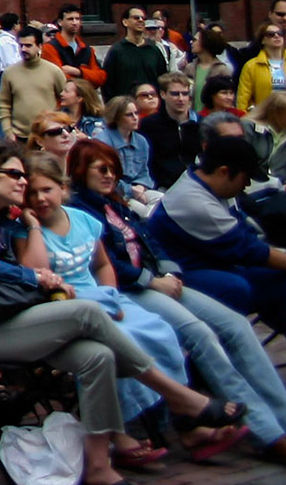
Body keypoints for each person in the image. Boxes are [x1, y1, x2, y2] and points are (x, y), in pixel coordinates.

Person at [0, 144, 243, 485]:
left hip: (8, 319)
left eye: (24, 176)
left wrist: (33, 241)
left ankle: (98, 466)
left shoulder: (4, 223)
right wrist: (38, 277)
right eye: (14, 174)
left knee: (97, 356)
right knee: (88, 313)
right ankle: (179, 396)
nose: (23, 181)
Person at [68, 138, 286, 463]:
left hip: (161, 282)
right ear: (82, 172)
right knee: (201, 335)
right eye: (102, 169)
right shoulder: (82, 210)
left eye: (113, 168)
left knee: (236, 326)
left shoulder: (116, 204)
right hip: (129, 290)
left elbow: (150, 239)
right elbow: (107, 263)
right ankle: (265, 432)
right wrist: (153, 280)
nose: (110, 175)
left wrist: (168, 272)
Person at [14, 154, 233, 460]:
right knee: (122, 346)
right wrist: (33, 226)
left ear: (62, 188)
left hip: (101, 297)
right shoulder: (25, 232)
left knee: (159, 333)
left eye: (46, 190)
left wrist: (110, 295)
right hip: (65, 305)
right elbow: (35, 273)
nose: (39, 198)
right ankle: (131, 430)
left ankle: (180, 421)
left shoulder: (84, 220)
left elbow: (102, 264)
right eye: (32, 193)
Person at [150, 135, 286, 399]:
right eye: (245, 177)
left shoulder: (209, 185)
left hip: (218, 266)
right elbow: (249, 251)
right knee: (240, 288)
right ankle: (204, 378)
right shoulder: (194, 200)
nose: (248, 184)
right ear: (224, 172)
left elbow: (249, 243)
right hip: (181, 277)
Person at [0, 26, 69, 141]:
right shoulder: (9, 73)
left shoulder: (54, 71)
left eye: (28, 45)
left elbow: (68, 100)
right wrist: (8, 132)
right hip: (19, 137)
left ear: (40, 46)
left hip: (48, 136)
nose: (23, 49)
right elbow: (4, 105)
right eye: (21, 45)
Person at [237, 21, 286, 115]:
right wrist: (243, 117)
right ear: (262, 40)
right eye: (270, 34)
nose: (276, 36)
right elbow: (243, 97)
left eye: (280, 33)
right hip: (264, 117)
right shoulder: (251, 66)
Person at [103, 7, 170, 103]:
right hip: (126, 108)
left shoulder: (154, 50)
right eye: (136, 18)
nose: (140, 20)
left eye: (143, 18)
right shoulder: (116, 51)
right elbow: (108, 84)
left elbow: (163, 80)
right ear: (125, 22)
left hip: (152, 107)